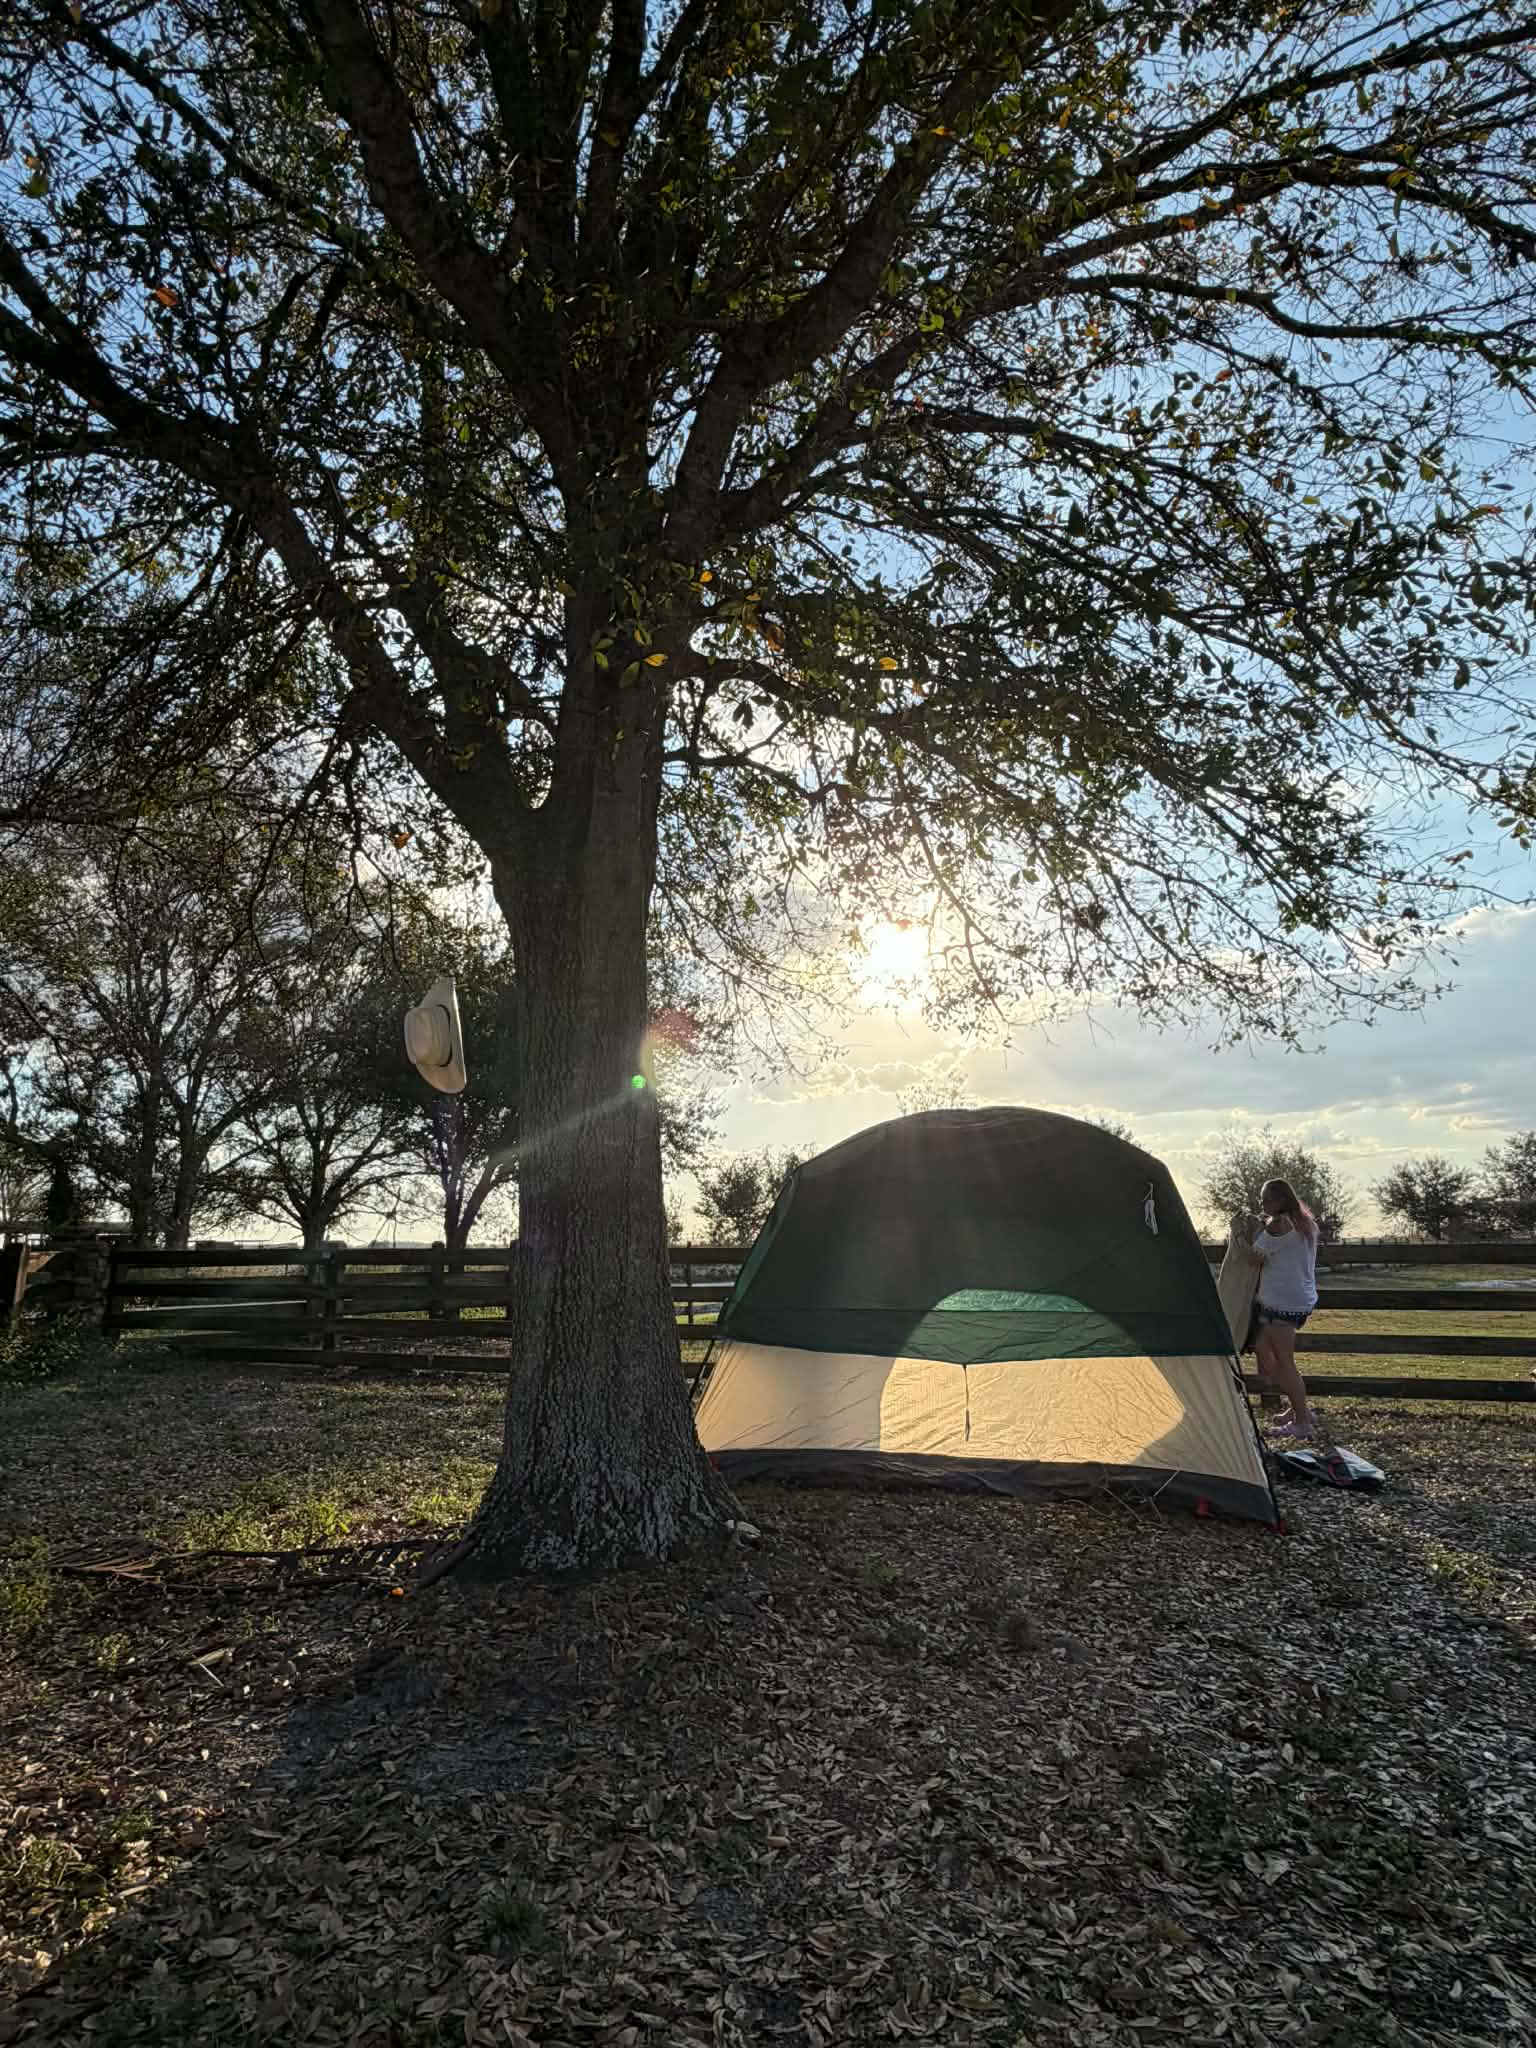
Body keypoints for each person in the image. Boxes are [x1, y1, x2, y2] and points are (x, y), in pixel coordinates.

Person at [1248, 1177, 1319, 1437]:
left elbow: (1252, 1258)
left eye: (1266, 1199)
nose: (1262, 1203)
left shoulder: (1278, 1224)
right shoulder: (1306, 1222)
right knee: (1266, 1353)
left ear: (1280, 1200)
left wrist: (1241, 1231)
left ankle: (1302, 1422)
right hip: (1298, 1299)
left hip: (1282, 1303)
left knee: (1283, 1363)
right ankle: (1299, 1408)